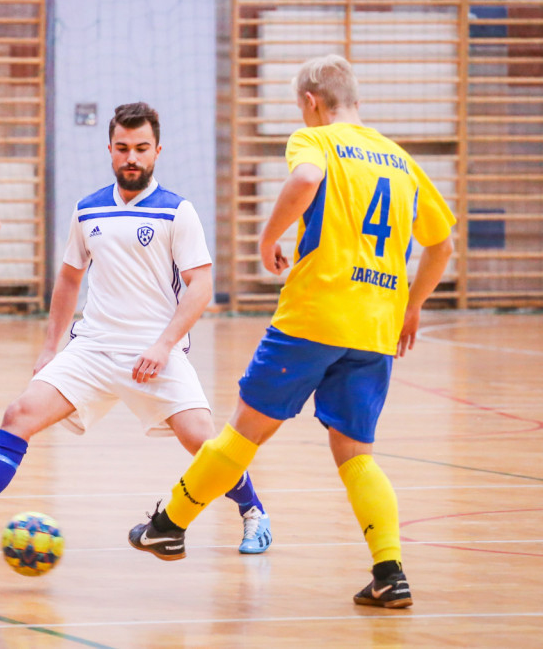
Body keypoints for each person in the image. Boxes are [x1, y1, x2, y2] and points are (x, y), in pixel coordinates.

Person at [128, 55, 456, 609]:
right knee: (356, 454)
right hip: (375, 327)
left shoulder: (318, 143)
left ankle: (169, 524)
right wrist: (411, 306)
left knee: (243, 433)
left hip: (314, 315)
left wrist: (268, 237)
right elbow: (441, 243)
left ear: (310, 102)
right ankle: (390, 572)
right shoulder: (401, 161)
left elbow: (305, 179)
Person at [0, 102, 272, 556]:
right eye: (122, 148)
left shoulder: (178, 212)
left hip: (157, 354)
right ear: (110, 150)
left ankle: (254, 513)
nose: (131, 157)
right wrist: (49, 346)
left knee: (204, 442)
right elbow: (69, 279)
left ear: (158, 151)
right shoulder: (88, 209)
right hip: (93, 348)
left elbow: (202, 287)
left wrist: (163, 344)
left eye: (141, 148)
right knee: (19, 415)